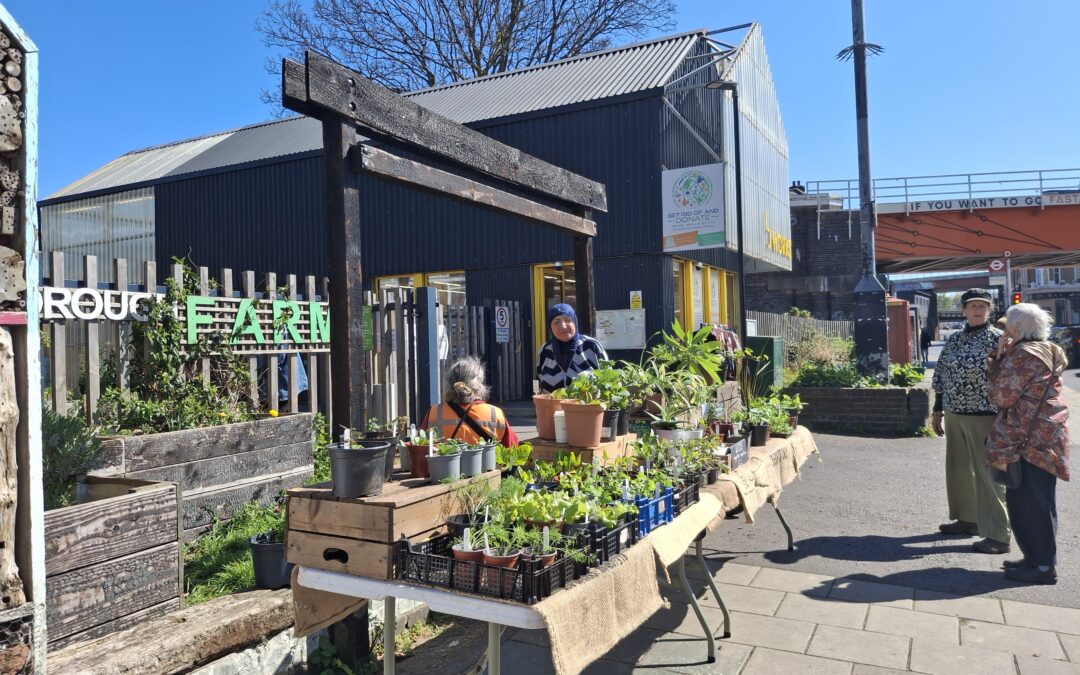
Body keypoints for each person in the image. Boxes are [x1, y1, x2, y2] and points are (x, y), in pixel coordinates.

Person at [986, 303, 1069, 584]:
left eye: (1008, 324)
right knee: (1037, 501)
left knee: (1030, 502)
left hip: (1028, 440)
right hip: (1045, 437)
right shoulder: (1048, 349)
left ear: (1017, 329)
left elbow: (1000, 396)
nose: (1004, 329)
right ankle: (1035, 558)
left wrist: (998, 358)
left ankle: (1042, 566)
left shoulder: (1022, 355)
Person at [931, 288, 1011, 554]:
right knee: (959, 471)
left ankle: (999, 534)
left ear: (990, 310)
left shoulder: (999, 339)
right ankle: (969, 520)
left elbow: (1009, 379)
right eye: (972, 305)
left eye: (983, 306)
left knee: (990, 476)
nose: (977, 309)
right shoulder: (954, 340)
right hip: (955, 413)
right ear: (963, 310)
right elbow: (941, 375)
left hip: (985, 415)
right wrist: (938, 410)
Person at [421, 356, 519, 446]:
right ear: (479, 385)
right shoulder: (495, 414)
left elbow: (419, 449)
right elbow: (512, 451)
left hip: (442, 466)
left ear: (449, 383)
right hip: (487, 466)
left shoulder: (434, 413)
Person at [536, 303, 608, 394]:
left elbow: (607, 378)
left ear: (575, 322)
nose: (562, 326)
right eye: (556, 322)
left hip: (586, 407)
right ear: (550, 327)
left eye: (567, 320)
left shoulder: (591, 346)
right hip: (552, 407)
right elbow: (538, 380)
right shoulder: (545, 351)